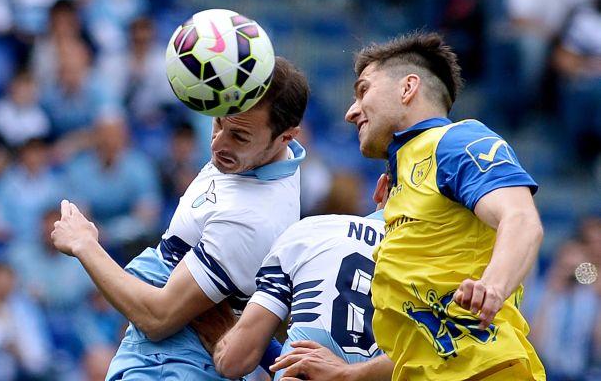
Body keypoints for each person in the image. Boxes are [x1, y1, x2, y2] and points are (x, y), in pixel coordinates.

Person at [51, 57, 310, 380]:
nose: (218, 143)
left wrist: (84, 244)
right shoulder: (260, 155)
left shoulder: (250, 218)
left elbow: (158, 318)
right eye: (218, 123)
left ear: (285, 136)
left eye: (239, 136)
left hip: (170, 367)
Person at [340, 31, 544, 380]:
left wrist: (492, 287)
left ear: (408, 88)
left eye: (363, 90)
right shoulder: (401, 179)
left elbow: (522, 219)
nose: (351, 112)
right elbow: (424, 342)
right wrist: (348, 375)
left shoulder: (455, 141)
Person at [214, 173, 394, 381]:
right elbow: (429, 361)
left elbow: (235, 359)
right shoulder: (434, 267)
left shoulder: (309, 230)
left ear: (381, 188)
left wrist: (226, 328)